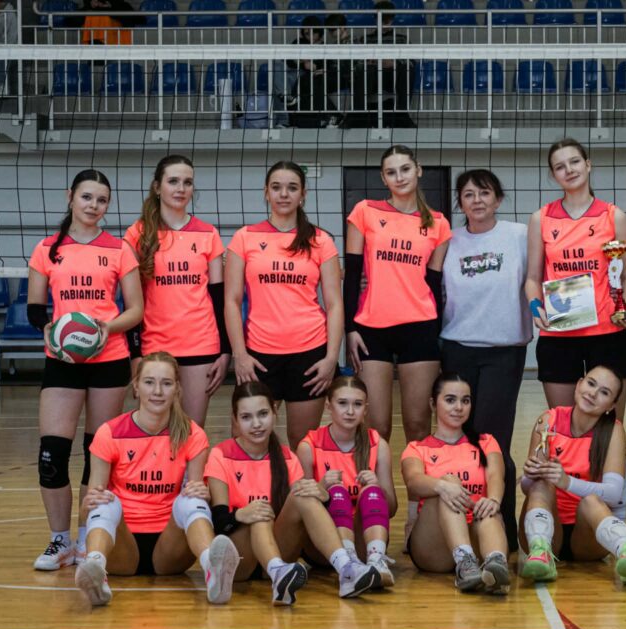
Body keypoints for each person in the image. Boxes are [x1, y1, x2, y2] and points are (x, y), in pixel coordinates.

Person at [26, 169, 144, 571]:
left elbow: (136, 310)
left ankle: (85, 536)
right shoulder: (47, 248)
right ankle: (59, 541)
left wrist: (106, 328)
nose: (94, 206)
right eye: (87, 197)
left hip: (108, 359)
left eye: (102, 200)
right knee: (51, 454)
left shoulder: (119, 248)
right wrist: (48, 328)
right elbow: (35, 309)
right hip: (62, 360)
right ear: (70, 197)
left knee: (98, 456)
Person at [345, 144, 451, 546]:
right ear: (383, 178)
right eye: (391, 172)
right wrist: (350, 328)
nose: (399, 177)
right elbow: (352, 272)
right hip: (371, 327)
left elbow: (434, 284)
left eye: (405, 169)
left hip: (419, 328)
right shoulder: (365, 212)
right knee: (376, 427)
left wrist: (435, 335)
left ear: (418, 170)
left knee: (418, 424)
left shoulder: (437, 223)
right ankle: (374, 517)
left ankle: (416, 515)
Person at [75, 352, 241, 607]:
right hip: (122, 545)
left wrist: (202, 493)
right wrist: (88, 505)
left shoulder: (192, 434)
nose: (158, 391)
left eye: (166, 383)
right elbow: (89, 505)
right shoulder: (109, 433)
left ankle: (213, 570)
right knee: (102, 500)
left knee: (192, 498)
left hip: (170, 547)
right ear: (136, 386)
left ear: (177, 389)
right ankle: (96, 567)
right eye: (149, 382)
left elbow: (197, 492)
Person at [204, 381, 381, 605]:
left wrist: (322, 496)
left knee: (302, 494)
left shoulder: (287, 457)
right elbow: (218, 523)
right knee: (260, 513)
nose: (256, 424)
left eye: (263, 414)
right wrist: (241, 514)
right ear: (235, 420)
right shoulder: (221, 454)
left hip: (280, 548)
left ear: (274, 413)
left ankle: (346, 569)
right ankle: (278, 572)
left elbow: (305, 517)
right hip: (239, 560)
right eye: (247, 417)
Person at [440, 168, 531, 551]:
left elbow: (546, 275)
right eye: (468, 194)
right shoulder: (448, 240)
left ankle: (502, 532)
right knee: (462, 442)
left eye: (484, 193)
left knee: (492, 443)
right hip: (456, 348)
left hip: (503, 352)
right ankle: (461, 529)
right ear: (460, 202)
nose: (476, 200)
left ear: (498, 198)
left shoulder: (520, 235)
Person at [226, 161, 342, 449]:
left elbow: (334, 304)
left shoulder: (320, 240)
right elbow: (231, 301)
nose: (284, 194)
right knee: (247, 440)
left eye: (292, 188)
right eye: (276, 187)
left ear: (303, 194)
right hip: (258, 355)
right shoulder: (244, 237)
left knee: (302, 444)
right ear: (266, 192)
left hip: (309, 353)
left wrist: (331, 359)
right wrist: (239, 354)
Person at [525, 138, 626, 411]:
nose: (569, 170)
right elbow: (532, 279)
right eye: (560, 166)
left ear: (588, 165)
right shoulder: (541, 218)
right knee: (563, 422)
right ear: (553, 175)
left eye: (574, 161)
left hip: (607, 331)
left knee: (609, 423)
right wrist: (535, 307)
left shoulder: (614, 216)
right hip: (560, 333)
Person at [517, 366, 626, 587]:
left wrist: (567, 482)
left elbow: (614, 494)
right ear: (579, 384)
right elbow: (527, 488)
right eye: (591, 383)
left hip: (588, 534)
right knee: (540, 486)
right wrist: (530, 476)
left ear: (611, 405)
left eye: (604, 392)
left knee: (591, 501)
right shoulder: (548, 421)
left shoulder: (613, 431)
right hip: (549, 526)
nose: (593, 393)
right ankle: (540, 552)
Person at [124, 154, 229, 428]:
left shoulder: (208, 233)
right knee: (156, 430)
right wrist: (135, 355)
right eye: (173, 181)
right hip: (154, 347)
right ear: (157, 187)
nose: (181, 189)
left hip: (201, 345)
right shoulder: (137, 234)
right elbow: (130, 302)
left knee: (192, 432)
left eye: (187, 182)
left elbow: (218, 298)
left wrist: (225, 351)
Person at [401, 373, 510, 594]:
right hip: (435, 545)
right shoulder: (417, 448)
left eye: (465, 400)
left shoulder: (486, 442)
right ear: (433, 403)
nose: (459, 407)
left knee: (489, 510)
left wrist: (493, 500)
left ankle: (496, 564)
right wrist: (443, 486)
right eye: (450, 400)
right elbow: (413, 481)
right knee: (447, 484)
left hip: (476, 534)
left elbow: (496, 477)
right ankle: (464, 561)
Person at [296, 375, 398, 586]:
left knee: (371, 491)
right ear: (328, 406)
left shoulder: (377, 444)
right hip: (324, 544)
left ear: (365, 409)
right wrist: (321, 488)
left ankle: (377, 561)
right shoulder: (309, 445)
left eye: (357, 404)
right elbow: (301, 509)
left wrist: (378, 486)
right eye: (342, 403)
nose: (350, 411)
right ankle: (348, 562)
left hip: (364, 540)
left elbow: (392, 508)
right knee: (336, 491)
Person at [345, 0, 414, 128]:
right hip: (372, 77)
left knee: (406, 69)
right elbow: (357, 63)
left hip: (392, 77)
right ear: (375, 19)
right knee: (364, 69)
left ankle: (402, 114)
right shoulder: (365, 39)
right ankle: (357, 114)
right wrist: (371, 62)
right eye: (381, 21)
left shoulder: (402, 39)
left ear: (392, 20)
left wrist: (394, 63)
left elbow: (411, 62)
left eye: (387, 21)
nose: (384, 24)